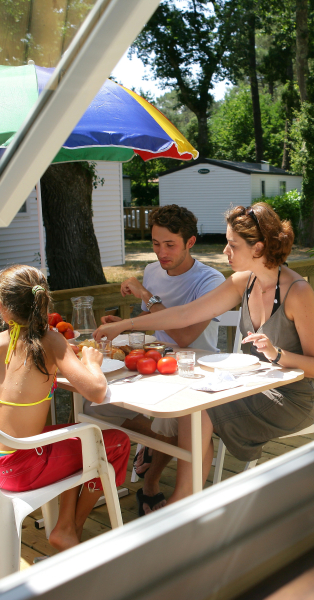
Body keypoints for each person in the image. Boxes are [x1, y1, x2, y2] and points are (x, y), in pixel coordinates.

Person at [93, 202, 314, 505]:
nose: (225, 252)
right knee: (196, 401)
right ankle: (184, 500)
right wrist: (126, 325)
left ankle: (181, 502)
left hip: (293, 398)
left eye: (232, 245)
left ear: (257, 248)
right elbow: (184, 316)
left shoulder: (298, 292)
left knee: (201, 408)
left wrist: (276, 353)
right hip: (252, 387)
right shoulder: (244, 281)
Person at [0, 265, 130, 552]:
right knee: (115, 443)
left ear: (2, 306)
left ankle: (64, 526)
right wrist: (92, 364)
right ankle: (71, 528)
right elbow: (97, 391)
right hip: (22, 469)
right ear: (42, 302)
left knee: (76, 435)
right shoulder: (51, 340)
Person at [90, 204, 225, 515]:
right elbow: (149, 320)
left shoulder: (210, 280)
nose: (161, 253)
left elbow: (184, 337)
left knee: (180, 423)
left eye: (170, 245)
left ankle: (153, 479)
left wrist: (145, 296)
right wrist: (125, 324)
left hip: (195, 368)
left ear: (190, 242)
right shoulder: (153, 271)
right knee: (96, 402)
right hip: (152, 362)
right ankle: (147, 452)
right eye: (155, 243)